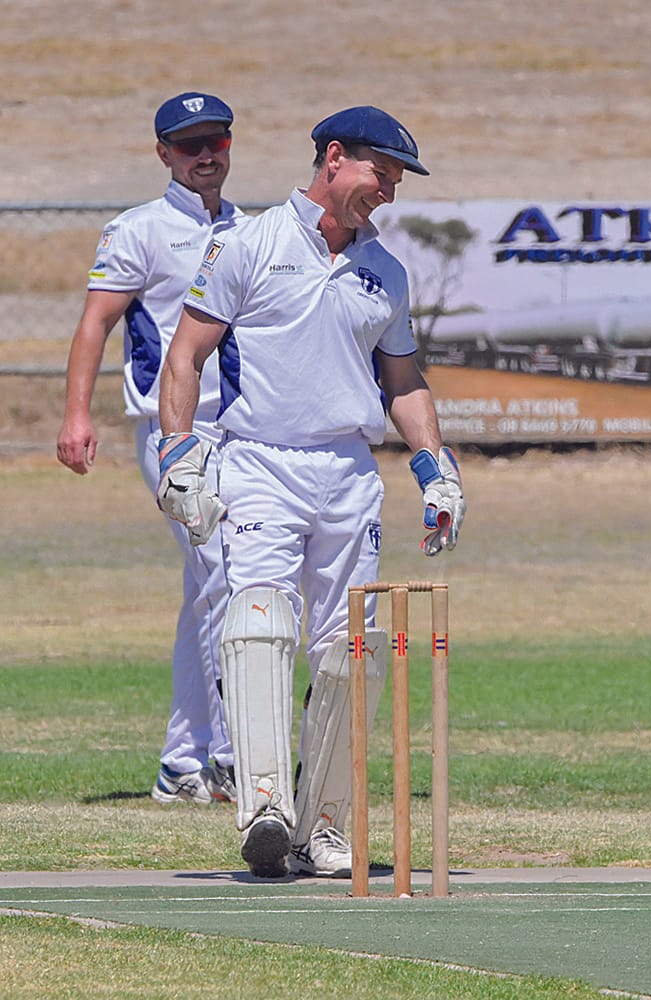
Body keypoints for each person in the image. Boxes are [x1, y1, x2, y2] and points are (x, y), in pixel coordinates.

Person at [156, 106, 466, 880]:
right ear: (334, 157)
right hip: (259, 460)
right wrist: (179, 454)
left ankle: (323, 824)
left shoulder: (384, 271)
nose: (388, 190)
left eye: (395, 179)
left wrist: (436, 470)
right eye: (380, 172)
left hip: (348, 472)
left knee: (348, 651)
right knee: (259, 618)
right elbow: (186, 355)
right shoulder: (248, 244)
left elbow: (403, 380)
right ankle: (263, 804)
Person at [56, 92, 244, 806]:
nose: (205, 155)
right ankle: (230, 755)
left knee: (209, 589)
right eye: (188, 144)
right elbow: (94, 324)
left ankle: (182, 763)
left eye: (215, 142)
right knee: (225, 575)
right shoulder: (137, 229)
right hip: (174, 434)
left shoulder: (251, 230)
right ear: (163, 152)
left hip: (244, 431)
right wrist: (77, 415)